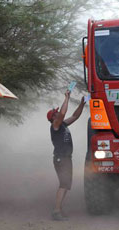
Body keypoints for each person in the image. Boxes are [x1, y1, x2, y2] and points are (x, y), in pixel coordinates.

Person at [46, 90, 85, 221]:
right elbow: (63, 113)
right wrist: (67, 98)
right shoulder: (55, 125)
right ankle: (56, 211)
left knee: (66, 185)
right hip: (61, 158)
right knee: (64, 184)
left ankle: (58, 209)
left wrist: (81, 104)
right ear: (53, 117)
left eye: (57, 111)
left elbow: (75, 116)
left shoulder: (62, 124)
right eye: (55, 112)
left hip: (66, 158)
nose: (58, 112)